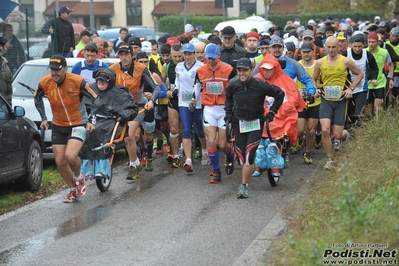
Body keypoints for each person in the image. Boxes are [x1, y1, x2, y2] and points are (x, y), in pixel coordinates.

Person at [34, 55, 98, 203]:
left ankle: (78, 177)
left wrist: (91, 120)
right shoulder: (45, 82)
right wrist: (44, 118)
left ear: (65, 69)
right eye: (52, 69)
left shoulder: (77, 81)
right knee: (60, 161)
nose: (54, 73)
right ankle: (72, 190)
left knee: (70, 155)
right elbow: (37, 98)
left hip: (78, 123)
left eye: (57, 70)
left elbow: (95, 98)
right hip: (58, 125)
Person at [225, 57, 284, 198]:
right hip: (239, 123)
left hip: (256, 123)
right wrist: (228, 114)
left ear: (252, 70)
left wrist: (272, 113)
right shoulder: (232, 84)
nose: (242, 73)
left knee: (248, 158)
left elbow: (280, 94)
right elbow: (228, 98)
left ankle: (244, 187)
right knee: (240, 159)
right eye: (239, 70)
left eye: (245, 70)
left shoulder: (260, 84)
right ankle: (255, 157)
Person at [109, 44, 160, 180]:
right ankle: (135, 162)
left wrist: (152, 101)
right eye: (121, 54)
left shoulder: (141, 69)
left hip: (138, 106)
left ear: (132, 55)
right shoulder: (112, 70)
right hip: (120, 107)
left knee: (129, 135)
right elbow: (104, 87)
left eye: (127, 54)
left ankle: (133, 165)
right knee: (125, 138)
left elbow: (157, 88)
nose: (124, 57)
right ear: (118, 56)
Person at [313, 36, 364, 170]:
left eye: (333, 47)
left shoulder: (346, 61)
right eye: (328, 47)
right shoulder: (319, 62)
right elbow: (313, 80)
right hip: (326, 100)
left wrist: (350, 88)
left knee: (337, 135)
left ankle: (346, 134)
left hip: (341, 101)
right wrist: (316, 90)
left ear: (339, 47)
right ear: (325, 47)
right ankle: (329, 160)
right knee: (324, 129)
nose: (331, 50)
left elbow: (360, 74)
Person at [81, 68, 138, 179]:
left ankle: (103, 169)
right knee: (84, 135)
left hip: (111, 120)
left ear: (110, 81)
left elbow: (132, 108)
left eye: (104, 80)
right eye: (99, 80)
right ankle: (86, 170)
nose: (101, 82)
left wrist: (123, 116)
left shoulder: (120, 93)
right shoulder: (90, 90)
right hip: (92, 119)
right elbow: (82, 105)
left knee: (101, 135)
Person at [195, 43, 236, 183]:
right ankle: (216, 171)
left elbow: (234, 87)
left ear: (219, 56)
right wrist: (194, 101)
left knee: (222, 144)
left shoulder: (229, 69)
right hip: (209, 109)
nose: (211, 61)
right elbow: (197, 86)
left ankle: (230, 154)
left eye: (213, 58)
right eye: (209, 58)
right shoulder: (201, 70)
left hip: (223, 109)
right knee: (211, 141)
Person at [175, 43, 207, 172]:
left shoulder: (200, 67)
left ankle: (205, 150)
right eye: (185, 54)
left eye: (190, 54)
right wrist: (176, 89)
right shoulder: (179, 67)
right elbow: (177, 81)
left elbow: (201, 84)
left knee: (199, 130)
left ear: (194, 54)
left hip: (197, 103)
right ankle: (188, 160)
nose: (187, 56)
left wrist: (196, 98)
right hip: (183, 102)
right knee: (186, 131)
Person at [342, 34, 378, 126]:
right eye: (355, 46)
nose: (357, 49)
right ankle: (348, 132)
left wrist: (374, 78)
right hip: (348, 88)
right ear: (350, 44)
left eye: (359, 46)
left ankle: (358, 133)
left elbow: (374, 68)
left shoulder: (367, 54)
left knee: (358, 113)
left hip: (362, 88)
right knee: (348, 113)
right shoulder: (346, 54)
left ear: (364, 44)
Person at [296, 42, 322, 163]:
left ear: (313, 52)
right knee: (300, 130)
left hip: (315, 102)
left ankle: (308, 152)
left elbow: (323, 81)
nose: (306, 54)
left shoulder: (318, 64)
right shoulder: (297, 65)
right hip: (300, 102)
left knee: (311, 130)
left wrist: (318, 89)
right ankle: (300, 139)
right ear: (300, 53)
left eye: (308, 51)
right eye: (304, 52)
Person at [366, 32, 394, 115]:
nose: (371, 44)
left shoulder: (384, 52)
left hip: (380, 82)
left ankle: (377, 123)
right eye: (369, 42)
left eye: (373, 42)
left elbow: (390, 64)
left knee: (378, 105)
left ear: (377, 42)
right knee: (368, 108)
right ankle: (369, 125)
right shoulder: (364, 52)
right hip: (367, 83)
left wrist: (391, 78)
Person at [0, 37, 13, 105]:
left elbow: (9, 88)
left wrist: (9, 104)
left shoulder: (5, 65)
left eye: (1, 46)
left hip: (3, 105)